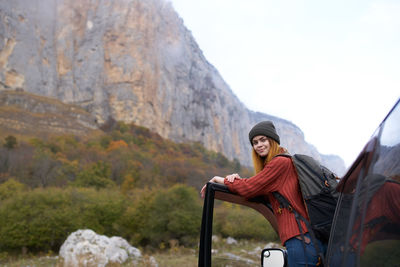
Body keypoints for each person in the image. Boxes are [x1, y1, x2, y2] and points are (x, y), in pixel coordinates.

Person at [200, 121, 326, 267]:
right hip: (303, 240)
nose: (259, 145)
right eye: (255, 142)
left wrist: (218, 180)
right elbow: (255, 191)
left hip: (300, 241)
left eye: (263, 140)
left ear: (273, 140)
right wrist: (236, 180)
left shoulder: (280, 163)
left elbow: (249, 188)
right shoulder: (281, 164)